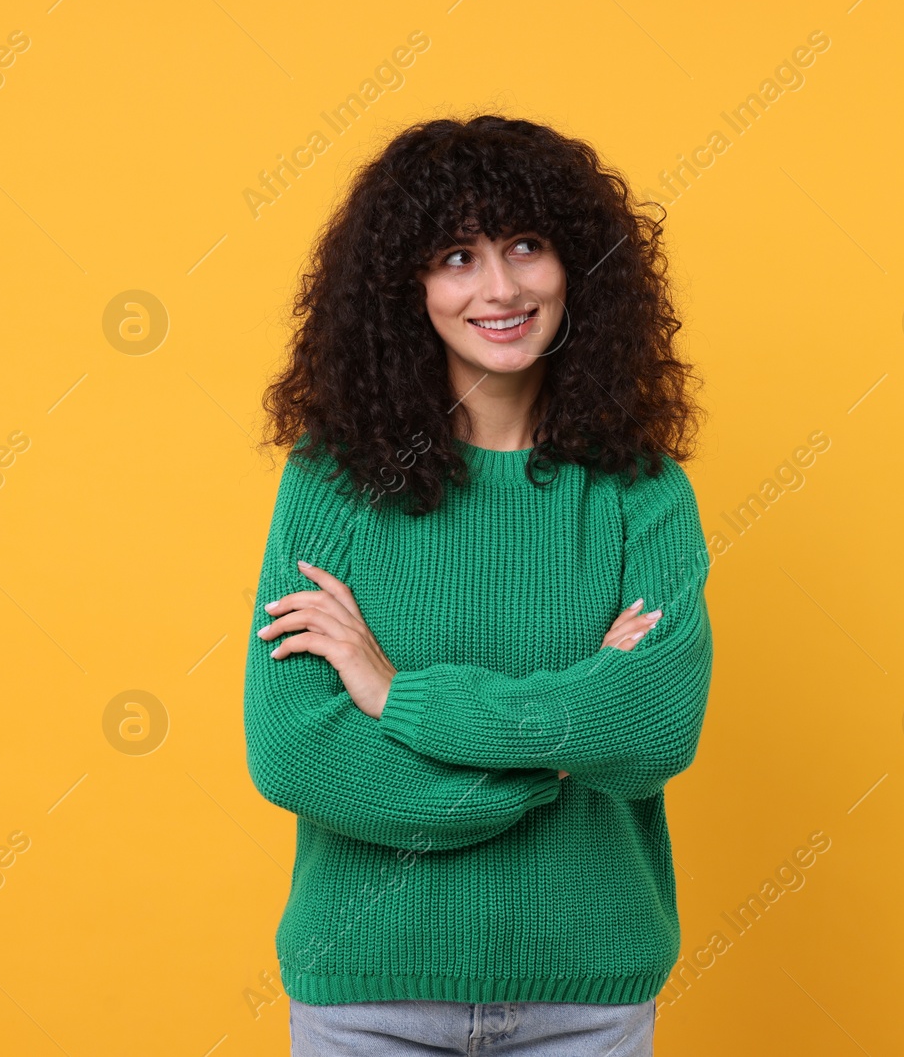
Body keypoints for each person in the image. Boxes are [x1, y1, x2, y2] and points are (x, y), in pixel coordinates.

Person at [243, 114, 714, 1056]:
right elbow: (295, 752)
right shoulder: (333, 484)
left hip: (587, 997)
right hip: (367, 995)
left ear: (577, 265)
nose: (500, 288)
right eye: (457, 256)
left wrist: (397, 694)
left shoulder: (642, 490)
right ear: (403, 287)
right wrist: (558, 746)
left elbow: (656, 726)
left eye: (526, 247)